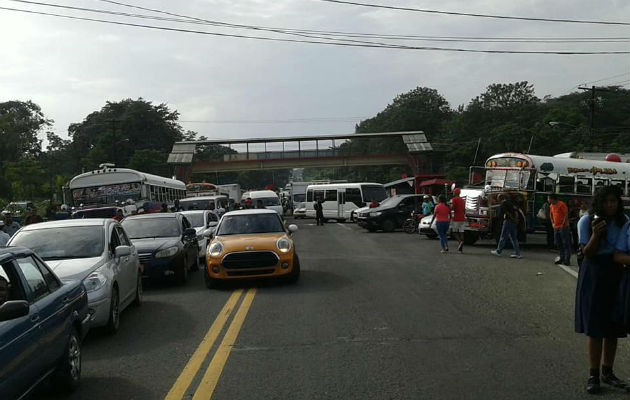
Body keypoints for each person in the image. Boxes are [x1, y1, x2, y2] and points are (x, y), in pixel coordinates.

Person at [575, 186, 628, 393]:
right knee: (596, 327)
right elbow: (585, 253)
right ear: (599, 202)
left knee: (614, 326)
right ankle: (593, 374)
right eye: (606, 201)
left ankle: (608, 371)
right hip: (594, 272)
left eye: (614, 201)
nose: (610, 205)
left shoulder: (623, 221)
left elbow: (621, 250)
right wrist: (596, 235)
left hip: (616, 272)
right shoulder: (586, 221)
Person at [549, 194, 572, 266]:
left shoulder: (561, 204)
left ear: (553, 199)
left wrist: (563, 224)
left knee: (565, 243)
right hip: (556, 227)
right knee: (558, 243)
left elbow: (565, 214)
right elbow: (551, 215)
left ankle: (567, 259)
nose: (548, 200)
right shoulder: (551, 206)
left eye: (549, 199)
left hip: (563, 227)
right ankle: (561, 257)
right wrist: (552, 222)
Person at [450, 188, 466, 253]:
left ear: (455, 193)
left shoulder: (453, 199)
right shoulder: (462, 200)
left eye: (453, 192)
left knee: (454, 232)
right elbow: (464, 209)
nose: (453, 193)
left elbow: (452, 207)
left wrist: (449, 206)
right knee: (461, 232)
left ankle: (460, 242)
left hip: (456, 217)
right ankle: (460, 249)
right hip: (462, 217)